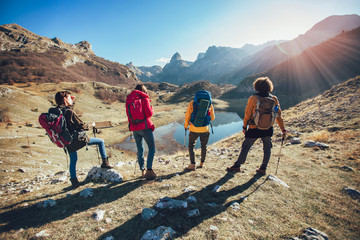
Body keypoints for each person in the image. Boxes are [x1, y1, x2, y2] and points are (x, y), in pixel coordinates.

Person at [226, 77, 287, 175]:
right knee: (267, 147)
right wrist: (282, 128)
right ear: (269, 87)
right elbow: (278, 115)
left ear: (256, 87)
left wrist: (244, 126)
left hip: (254, 128)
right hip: (268, 128)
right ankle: (263, 168)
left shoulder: (253, 98)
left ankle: (237, 166)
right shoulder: (274, 98)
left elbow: (247, 114)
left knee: (246, 146)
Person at [55, 91, 112, 189]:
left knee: (73, 160)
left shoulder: (58, 111)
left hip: (67, 141)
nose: (71, 99)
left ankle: (74, 182)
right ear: (65, 100)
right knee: (100, 141)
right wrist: (92, 125)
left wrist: (72, 101)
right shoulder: (69, 112)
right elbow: (82, 125)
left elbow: (69, 114)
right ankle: (105, 163)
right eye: (69, 98)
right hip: (78, 139)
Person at [126, 84, 156, 180]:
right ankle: (149, 171)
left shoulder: (129, 99)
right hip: (145, 127)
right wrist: (152, 108)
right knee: (151, 148)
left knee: (140, 149)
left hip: (135, 128)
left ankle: (142, 170)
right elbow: (149, 113)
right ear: (144, 90)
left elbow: (128, 115)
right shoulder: (144, 98)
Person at [184, 91, 215, 170]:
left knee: (191, 146)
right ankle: (201, 163)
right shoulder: (209, 104)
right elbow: (212, 118)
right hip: (205, 129)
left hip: (193, 128)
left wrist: (186, 126)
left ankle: (192, 164)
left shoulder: (192, 103)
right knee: (204, 146)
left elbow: (187, 115)